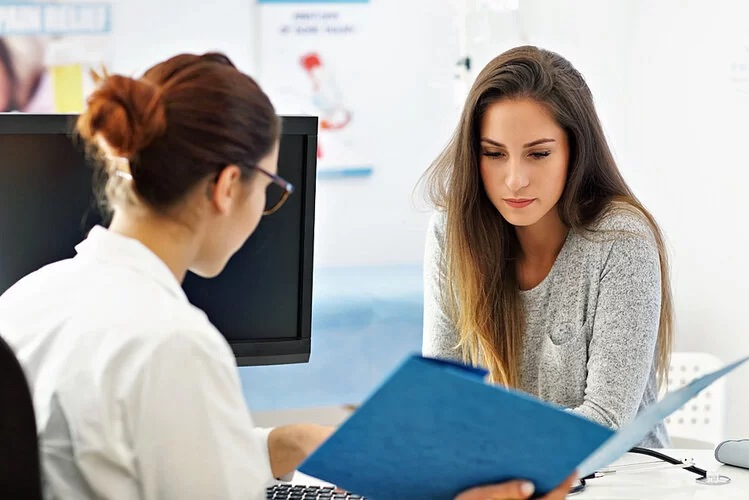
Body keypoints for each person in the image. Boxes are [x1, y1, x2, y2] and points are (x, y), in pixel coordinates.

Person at [0, 52, 574, 500]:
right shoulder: (174, 345)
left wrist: (285, 443)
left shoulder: (25, 299)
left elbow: (129, 455)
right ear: (228, 187)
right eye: (271, 190)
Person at [421, 45, 673, 448]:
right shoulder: (452, 233)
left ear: (575, 151)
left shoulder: (621, 241)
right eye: (493, 154)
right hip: (500, 475)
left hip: (618, 480)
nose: (515, 179)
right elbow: (442, 396)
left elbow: (603, 422)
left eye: (538, 154)